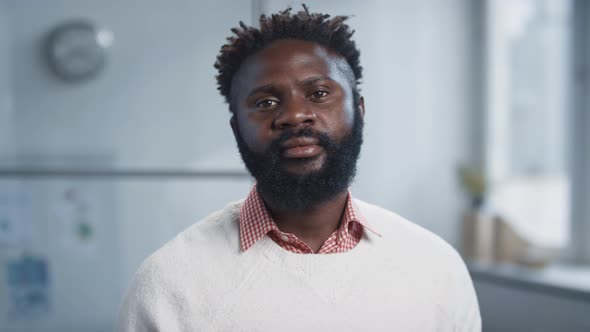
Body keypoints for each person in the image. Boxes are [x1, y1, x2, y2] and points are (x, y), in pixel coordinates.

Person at [118, 6, 481, 331]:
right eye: (265, 101)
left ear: (360, 111)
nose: (293, 116)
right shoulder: (168, 283)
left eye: (319, 94)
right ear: (236, 129)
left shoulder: (435, 268)